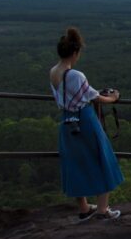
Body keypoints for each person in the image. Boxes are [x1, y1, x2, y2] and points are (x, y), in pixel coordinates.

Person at [49, 27, 124, 221]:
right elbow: (95, 97)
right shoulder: (76, 75)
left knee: (75, 163)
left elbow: (70, 96)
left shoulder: (53, 72)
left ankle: (84, 208)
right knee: (102, 158)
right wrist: (113, 98)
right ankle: (102, 210)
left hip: (67, 121)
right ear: (75, 53)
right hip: (85, 120)